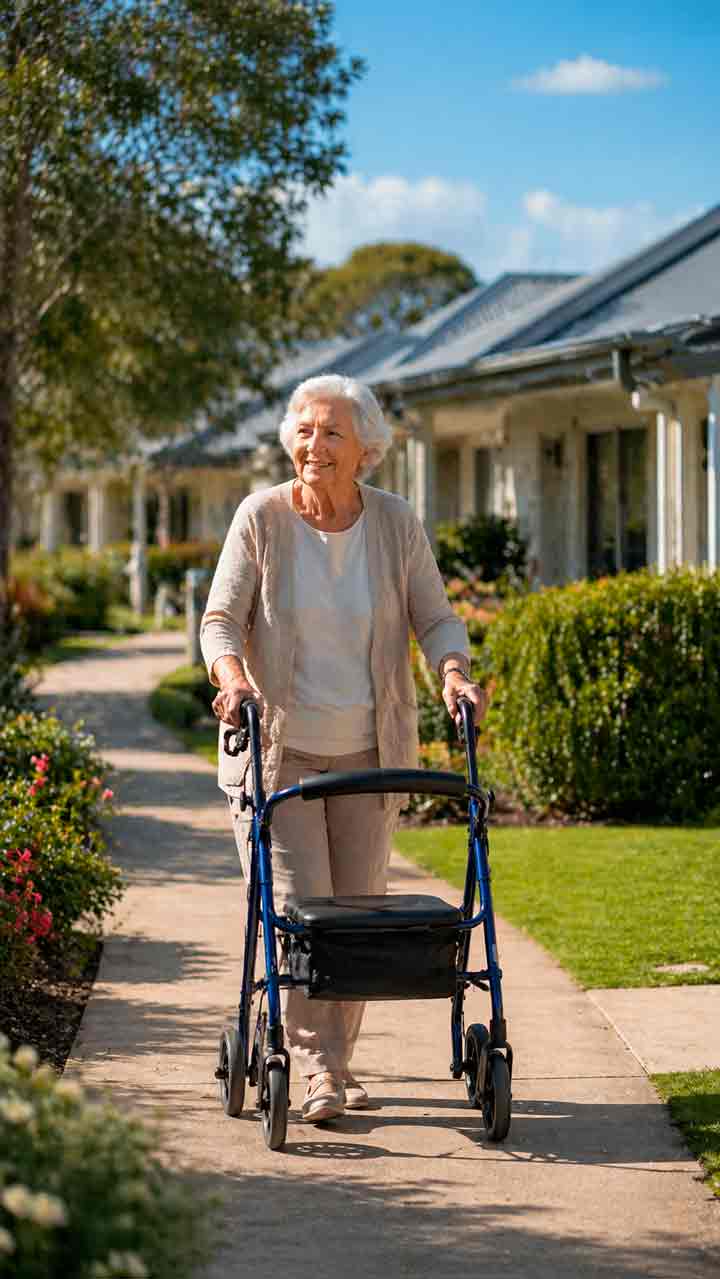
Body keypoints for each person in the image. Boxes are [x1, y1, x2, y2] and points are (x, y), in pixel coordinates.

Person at [200, 374, 486, 1123]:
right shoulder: (260, 517)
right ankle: (316, 1065)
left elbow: (437, 619)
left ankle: (335, 1060)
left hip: (367, 751)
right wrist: (232, 679)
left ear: (366, 449)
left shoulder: (394, 523)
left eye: (331, 433)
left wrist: (454, 673)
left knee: (359, 917)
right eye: (303, 429)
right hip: (280, 754)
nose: (312, 445)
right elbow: (220, 621)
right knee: (299, 913)